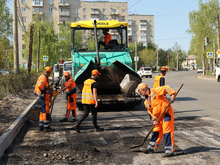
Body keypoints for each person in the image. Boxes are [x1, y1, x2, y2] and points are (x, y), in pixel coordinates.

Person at [137, 83, 176, 157]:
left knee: (167, 131)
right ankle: (151, 147)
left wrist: (172, 94)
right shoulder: (146, 102)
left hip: (166, 113)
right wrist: (154, 119)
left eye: (140, 91)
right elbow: (151, 112)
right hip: (158, 117)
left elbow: (166, 88)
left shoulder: (155, 90)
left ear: (143, 89)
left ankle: (169, 150)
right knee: (156, 130)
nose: (140, 93)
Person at [34, 66, 55, 132]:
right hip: (44, 96)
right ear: (48, 73)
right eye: (50, 73)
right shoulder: (44, 78)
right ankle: (46, 127)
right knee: (45, 111)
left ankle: (41, 126)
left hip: (41, 96)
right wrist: (45, 91)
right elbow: (40, 85)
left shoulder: (41, 76)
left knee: (42, 111)